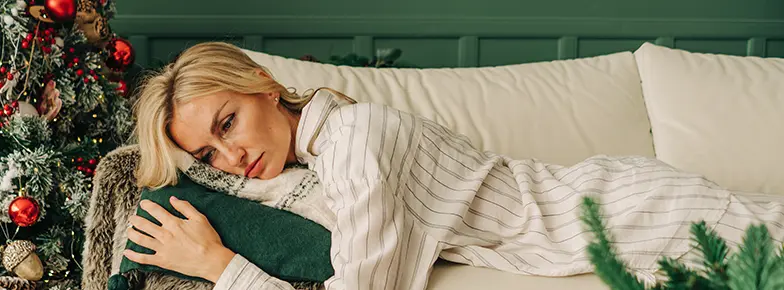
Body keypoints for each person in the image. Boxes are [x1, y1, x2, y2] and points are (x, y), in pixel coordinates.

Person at [124, 41, 784, 290]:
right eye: (209, 154)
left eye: (228, 123)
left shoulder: (357, 143)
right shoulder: (323, 155)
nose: (233, 159)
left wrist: (220, 267)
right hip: (617, 217)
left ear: (266, 86)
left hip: (634, 212)